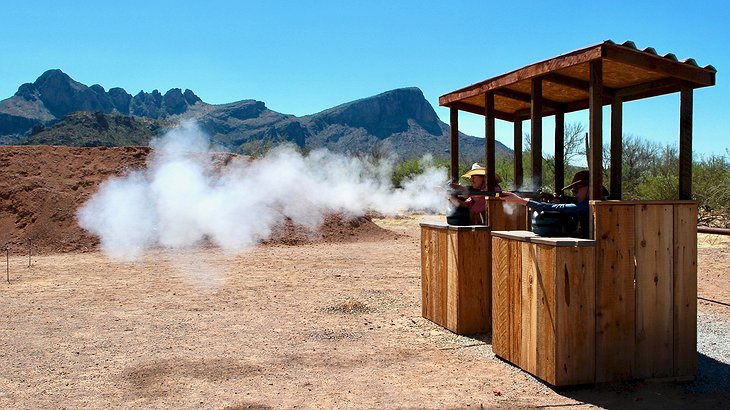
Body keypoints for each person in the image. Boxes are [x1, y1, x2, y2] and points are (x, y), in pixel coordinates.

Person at [501, 170, 592, 237]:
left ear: (589, 188)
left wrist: (520, 200)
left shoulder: (586, 206)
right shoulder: (583, 204)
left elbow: (551, 208)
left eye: (576, 190)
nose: (575, 194)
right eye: (573, 191)